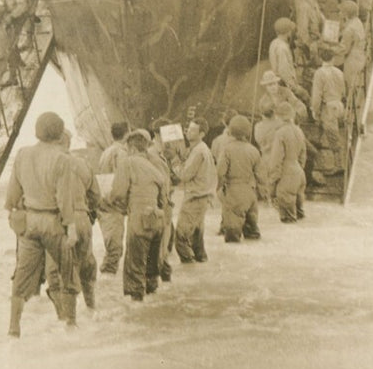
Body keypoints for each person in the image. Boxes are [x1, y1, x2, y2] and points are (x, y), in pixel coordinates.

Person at [3, 113, 77, 335]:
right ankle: (70, 325)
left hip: (29, 222)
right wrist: (71, 227)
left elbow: (12, 196)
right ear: (58, 132)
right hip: (53, 221)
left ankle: (14, 328)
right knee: (67, 273)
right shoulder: (62, 158)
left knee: (21, 277)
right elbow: (65, 198)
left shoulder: (23, 154)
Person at [108, 129, 170, 300]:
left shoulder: (128, 162)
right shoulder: (155, 168)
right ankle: (152, 302)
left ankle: (136, 308)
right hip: (158, 220)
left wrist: (110, 202)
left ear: (132, 149)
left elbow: (118, 193)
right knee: (151, 271)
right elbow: (163, 200)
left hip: (139, 219)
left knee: (134, 267)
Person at [48, 138, 100, 312]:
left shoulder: (49, 164)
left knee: (57, 271)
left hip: (59, 220)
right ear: (68, 144)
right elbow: (95, 196)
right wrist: (87, 216)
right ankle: (91, 308)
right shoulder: (82, 163)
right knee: (86, 264)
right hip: (82, 217)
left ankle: (66, 319)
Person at [173, 119, 216, 264]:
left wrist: (173, 160)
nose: (187, 132)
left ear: (202, 134)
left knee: (181, 237)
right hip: (202, 197)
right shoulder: (201, 148)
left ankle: (189, 268)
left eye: (192, 130)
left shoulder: (198, 151)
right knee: (196, 238)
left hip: (195, 197)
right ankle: (199, 267)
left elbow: (184, 175)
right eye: (188, 128)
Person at [215, 115, 262, 242]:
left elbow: (220, 172)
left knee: (232, 236)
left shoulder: (227, 150)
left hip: (234, 192)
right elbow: (260, 176)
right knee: (252, 233)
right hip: (250, 193)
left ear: (230, 131)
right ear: (248, 132)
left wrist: (218, 188)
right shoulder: (254, 150)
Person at [94, 121, 129, 275]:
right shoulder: (121, 153)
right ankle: (107, 278)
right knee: (115, 249)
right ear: (127, 134)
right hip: (113, 204)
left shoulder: (106, 151)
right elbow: (122, 180)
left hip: (104, 202)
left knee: (112, 246)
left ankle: (107, 285)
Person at [310, 48, 348, 177]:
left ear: (321, 58)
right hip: (338, 104)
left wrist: (314, 110)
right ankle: (318, 150)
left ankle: (339, 165)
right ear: (333, 58)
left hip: (328, 107)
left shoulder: (319, 73)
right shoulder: (339, 72)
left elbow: (317, 95)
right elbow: (344, 91)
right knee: (329, 131)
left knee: (333, 136)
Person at [270, 101, 309, 222]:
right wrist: (299, 168)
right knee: (299, 214)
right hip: (298, 171)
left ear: (278, 116)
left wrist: (273, 180)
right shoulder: (299, 130)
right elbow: (303, 153)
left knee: (288, 219)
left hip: (287, 174)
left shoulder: (280, 133)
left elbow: (276, 160)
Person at [268, 18, 308, 103]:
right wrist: (295, 87)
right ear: (288, 32)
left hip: (278, 81)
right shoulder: (282, 48)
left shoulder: (274, 43)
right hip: (284, 84)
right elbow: (283, 71)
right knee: (305, 97)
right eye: (290, 30)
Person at [337, 0, 368, 104]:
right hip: (360, 56)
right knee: (354, 83)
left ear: (346, 13)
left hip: (352, 60)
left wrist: (330, 49)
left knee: (348, 84)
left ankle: (350, 106)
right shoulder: (357, 21)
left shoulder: (349, 30)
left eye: (341, 12)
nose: (339, 13)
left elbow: (344, 49)